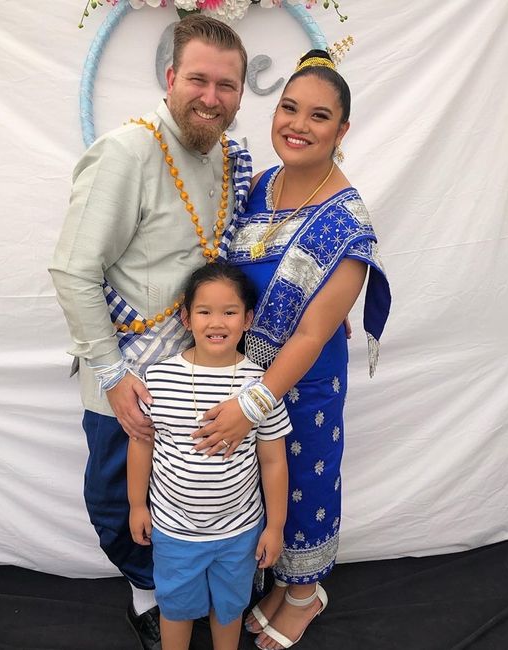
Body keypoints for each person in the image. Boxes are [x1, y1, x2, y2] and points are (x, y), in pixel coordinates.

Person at [49, 16, 251, 650]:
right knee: (117, 498)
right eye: (197, 79)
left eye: (227, 85)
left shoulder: (225, 156)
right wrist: (111, 376)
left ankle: (203, 584)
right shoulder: (128, 150)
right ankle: (151, 591)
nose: (211, 97)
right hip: (130, 376)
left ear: (242, 93)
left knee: (199, 488)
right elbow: (73, 270)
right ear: (170, 78)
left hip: (205, 369)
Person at [187, 49, 392, 649]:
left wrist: (253, 404)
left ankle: (305, 594)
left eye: (319, 116)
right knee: (264, 488)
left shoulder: (347, 222)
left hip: (301, 385)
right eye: (288, 108)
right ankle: (282, 582)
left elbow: (309, 333)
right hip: (246, 370)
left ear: (342, 131)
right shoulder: (264, 184)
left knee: (304, 480)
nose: (297, 125)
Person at [127, 263, 291, 650]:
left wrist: (276, 526)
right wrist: (137, 505)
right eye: (204, 311)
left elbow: (274, 461)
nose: (217, 322)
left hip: (239, 532)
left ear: (248, 319)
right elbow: (142, 444)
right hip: (174, 530)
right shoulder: (160, 379)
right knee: (176, 608)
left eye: (230, 312)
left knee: (229, 608)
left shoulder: (261, 387)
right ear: (185, 317)